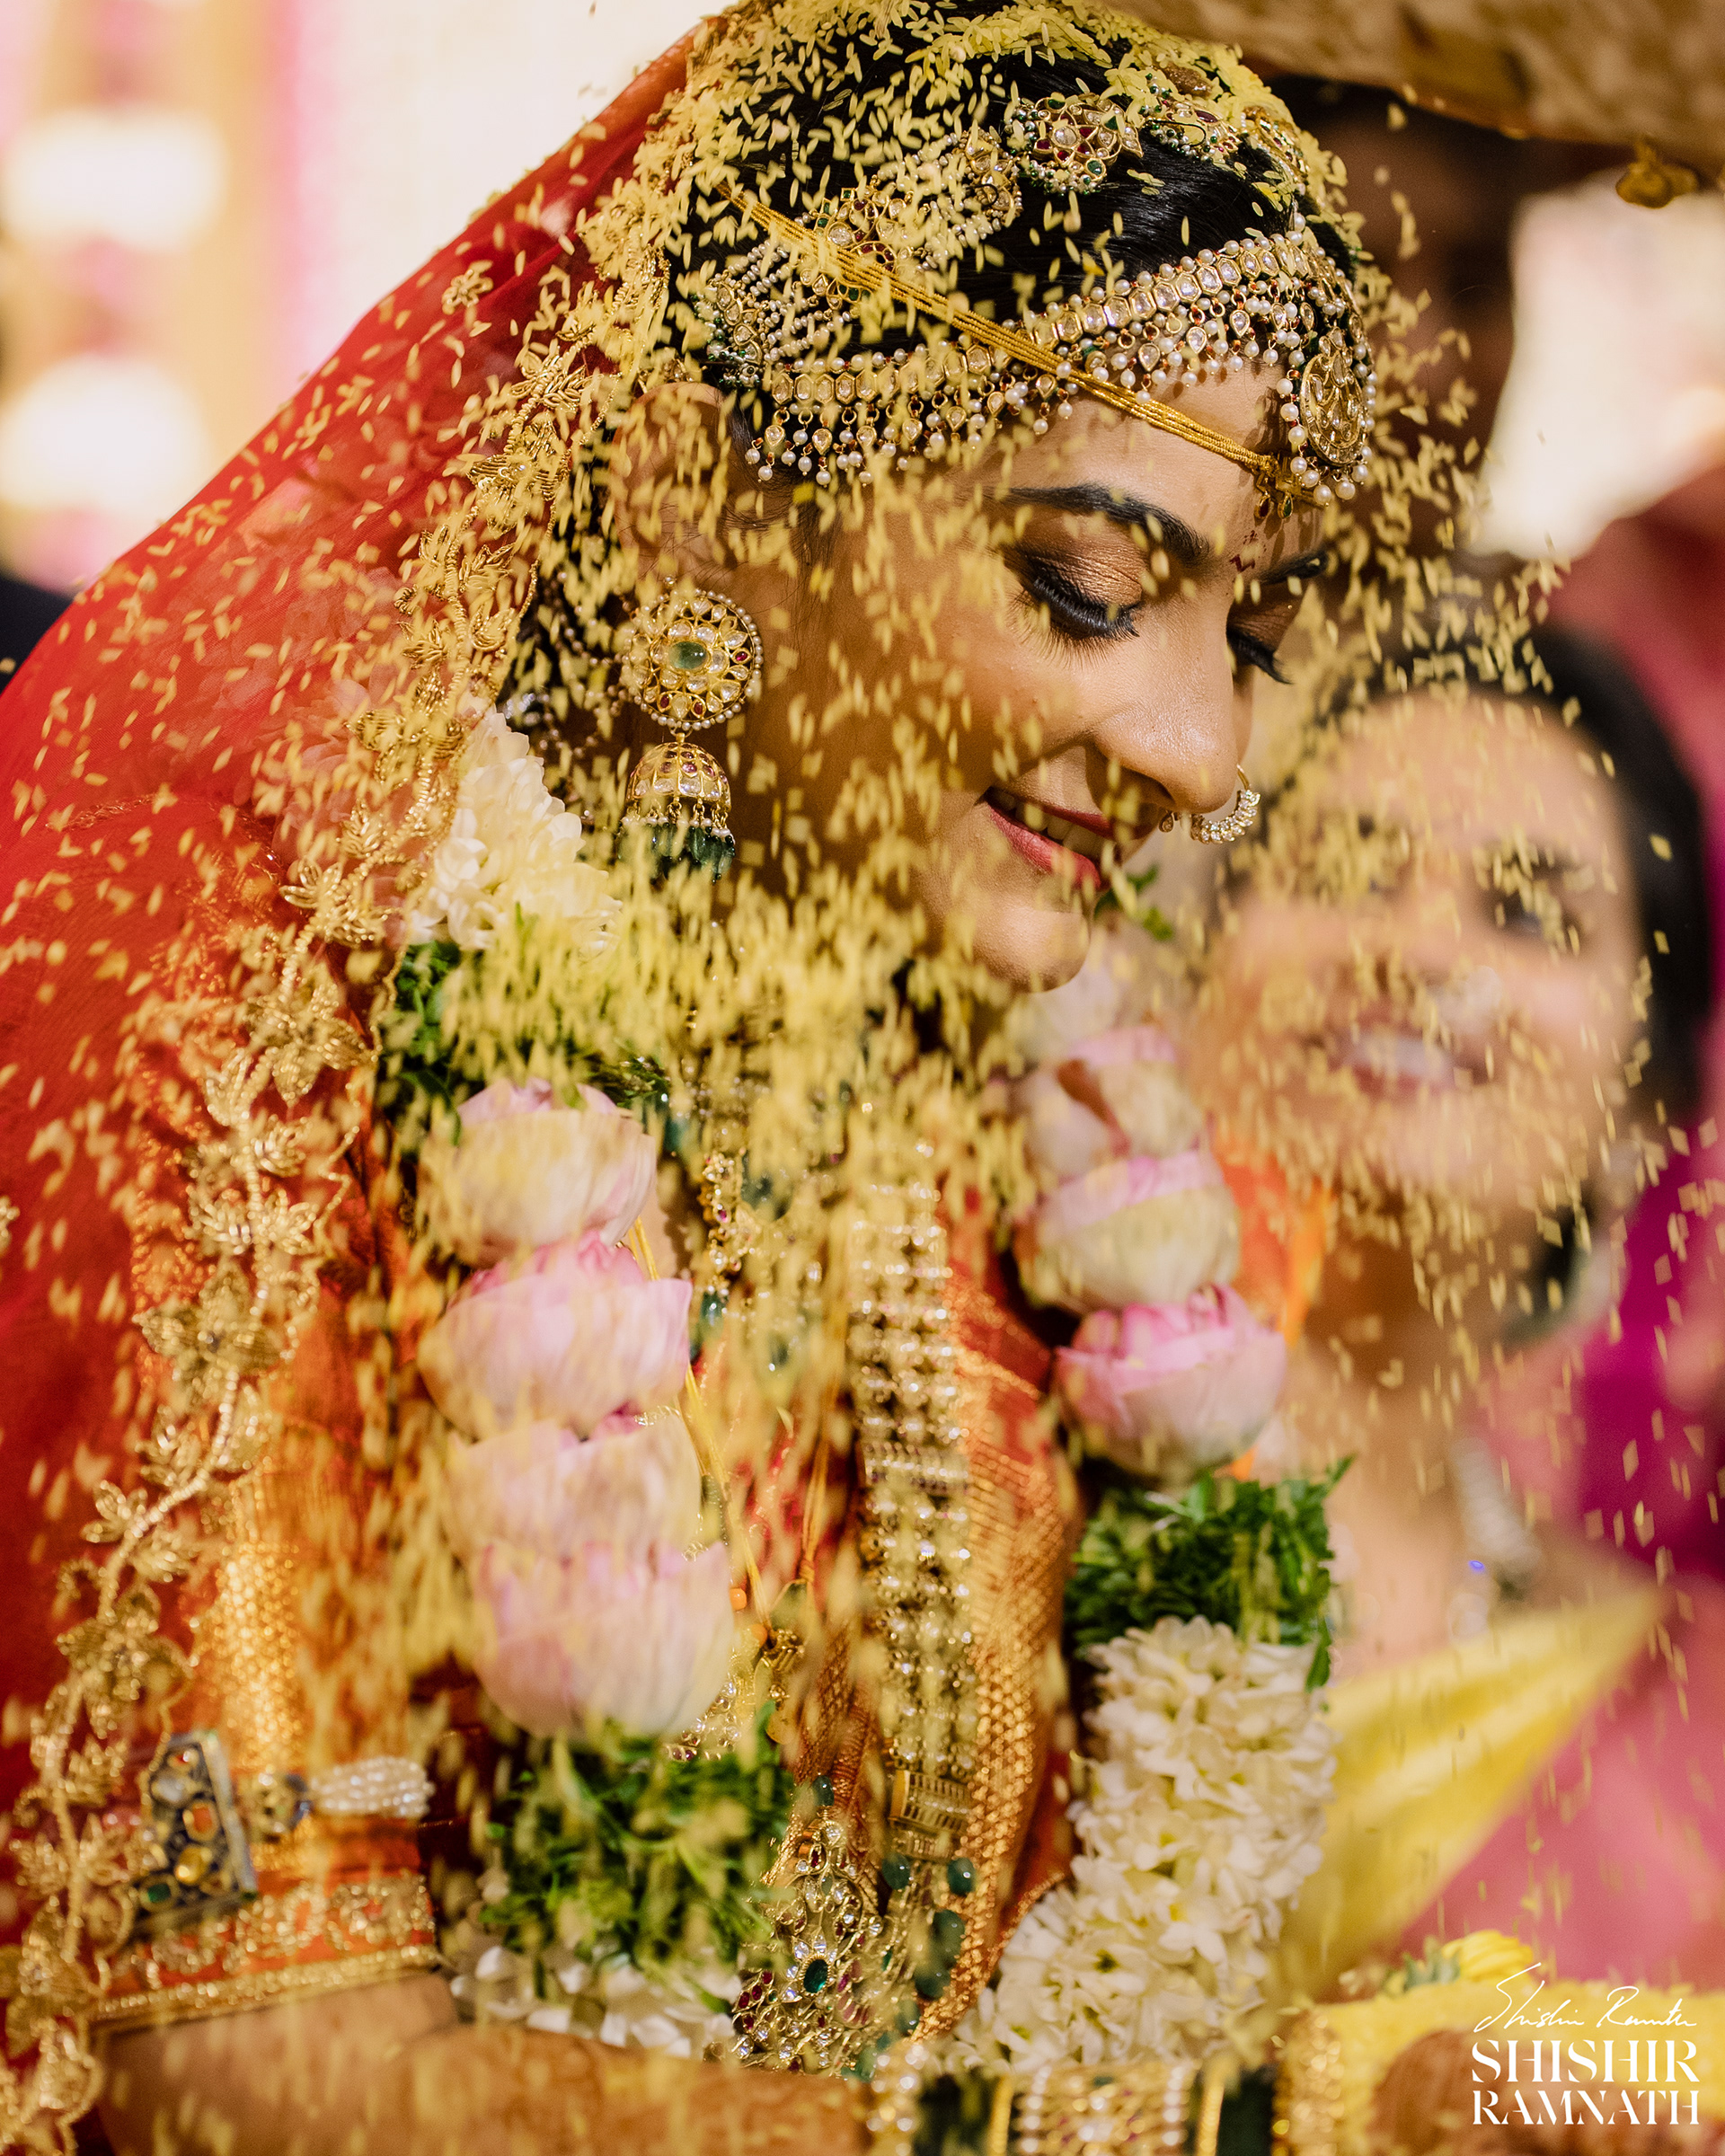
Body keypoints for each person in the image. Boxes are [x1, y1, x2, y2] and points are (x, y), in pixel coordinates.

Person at [0, 7, 1713, 2155]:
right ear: (702, 490)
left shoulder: (1057, 1181)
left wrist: (1511, 2079)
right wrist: (1230, 2131)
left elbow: (1310, 2006)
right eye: (1088, 588)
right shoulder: (297, 1083)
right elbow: (238, 2078)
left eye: (1247, 642)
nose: (1197, 750)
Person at [1194, 625, 1725, 1989]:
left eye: (1526, 914)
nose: (1417, 950)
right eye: (1346, 872)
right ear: (1206, 959)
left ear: (1642, 1113)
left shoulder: (1674, 1719)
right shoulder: (972, 1444)